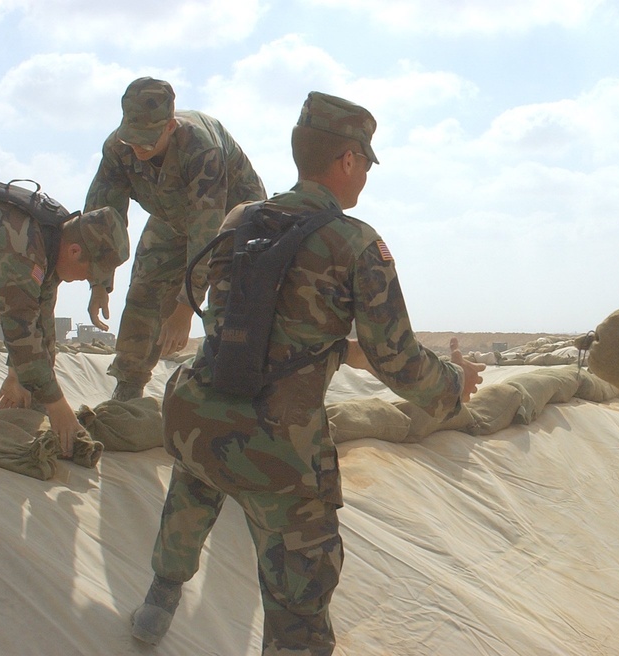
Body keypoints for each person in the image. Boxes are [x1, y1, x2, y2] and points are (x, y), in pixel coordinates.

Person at [130, 91, 485, 655]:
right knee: (300, 600)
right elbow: (398, 360)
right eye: (365, 163)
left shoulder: (243, 219)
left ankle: (158, 602)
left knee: (193, 492)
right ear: (347, 161)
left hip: (199, 415)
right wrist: (452, 385)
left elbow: (258, 331)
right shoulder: (356, 243)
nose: (365, 176)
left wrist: (343, 352)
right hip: (278, 448)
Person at [84, 76, 266, 401]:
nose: (138, 147)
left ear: (170, 127)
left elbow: (207, 232)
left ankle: (241, 390)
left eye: (148, 140)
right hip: (172, 217)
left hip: (235, 219)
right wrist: (99, 282)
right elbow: (102, 217)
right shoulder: (119, 148)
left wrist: (184, 308)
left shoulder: (201, 149)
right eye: (132, 138)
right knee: (144, 288)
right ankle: (128, 386)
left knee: (234, 299)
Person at [0, 195, 129, 457]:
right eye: (88, 274)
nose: (82, 281)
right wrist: (57, 407)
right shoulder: (23, 248)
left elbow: (41, 321)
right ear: (75, 251)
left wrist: (16, 375)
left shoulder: (55, 236)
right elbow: (20, 328)